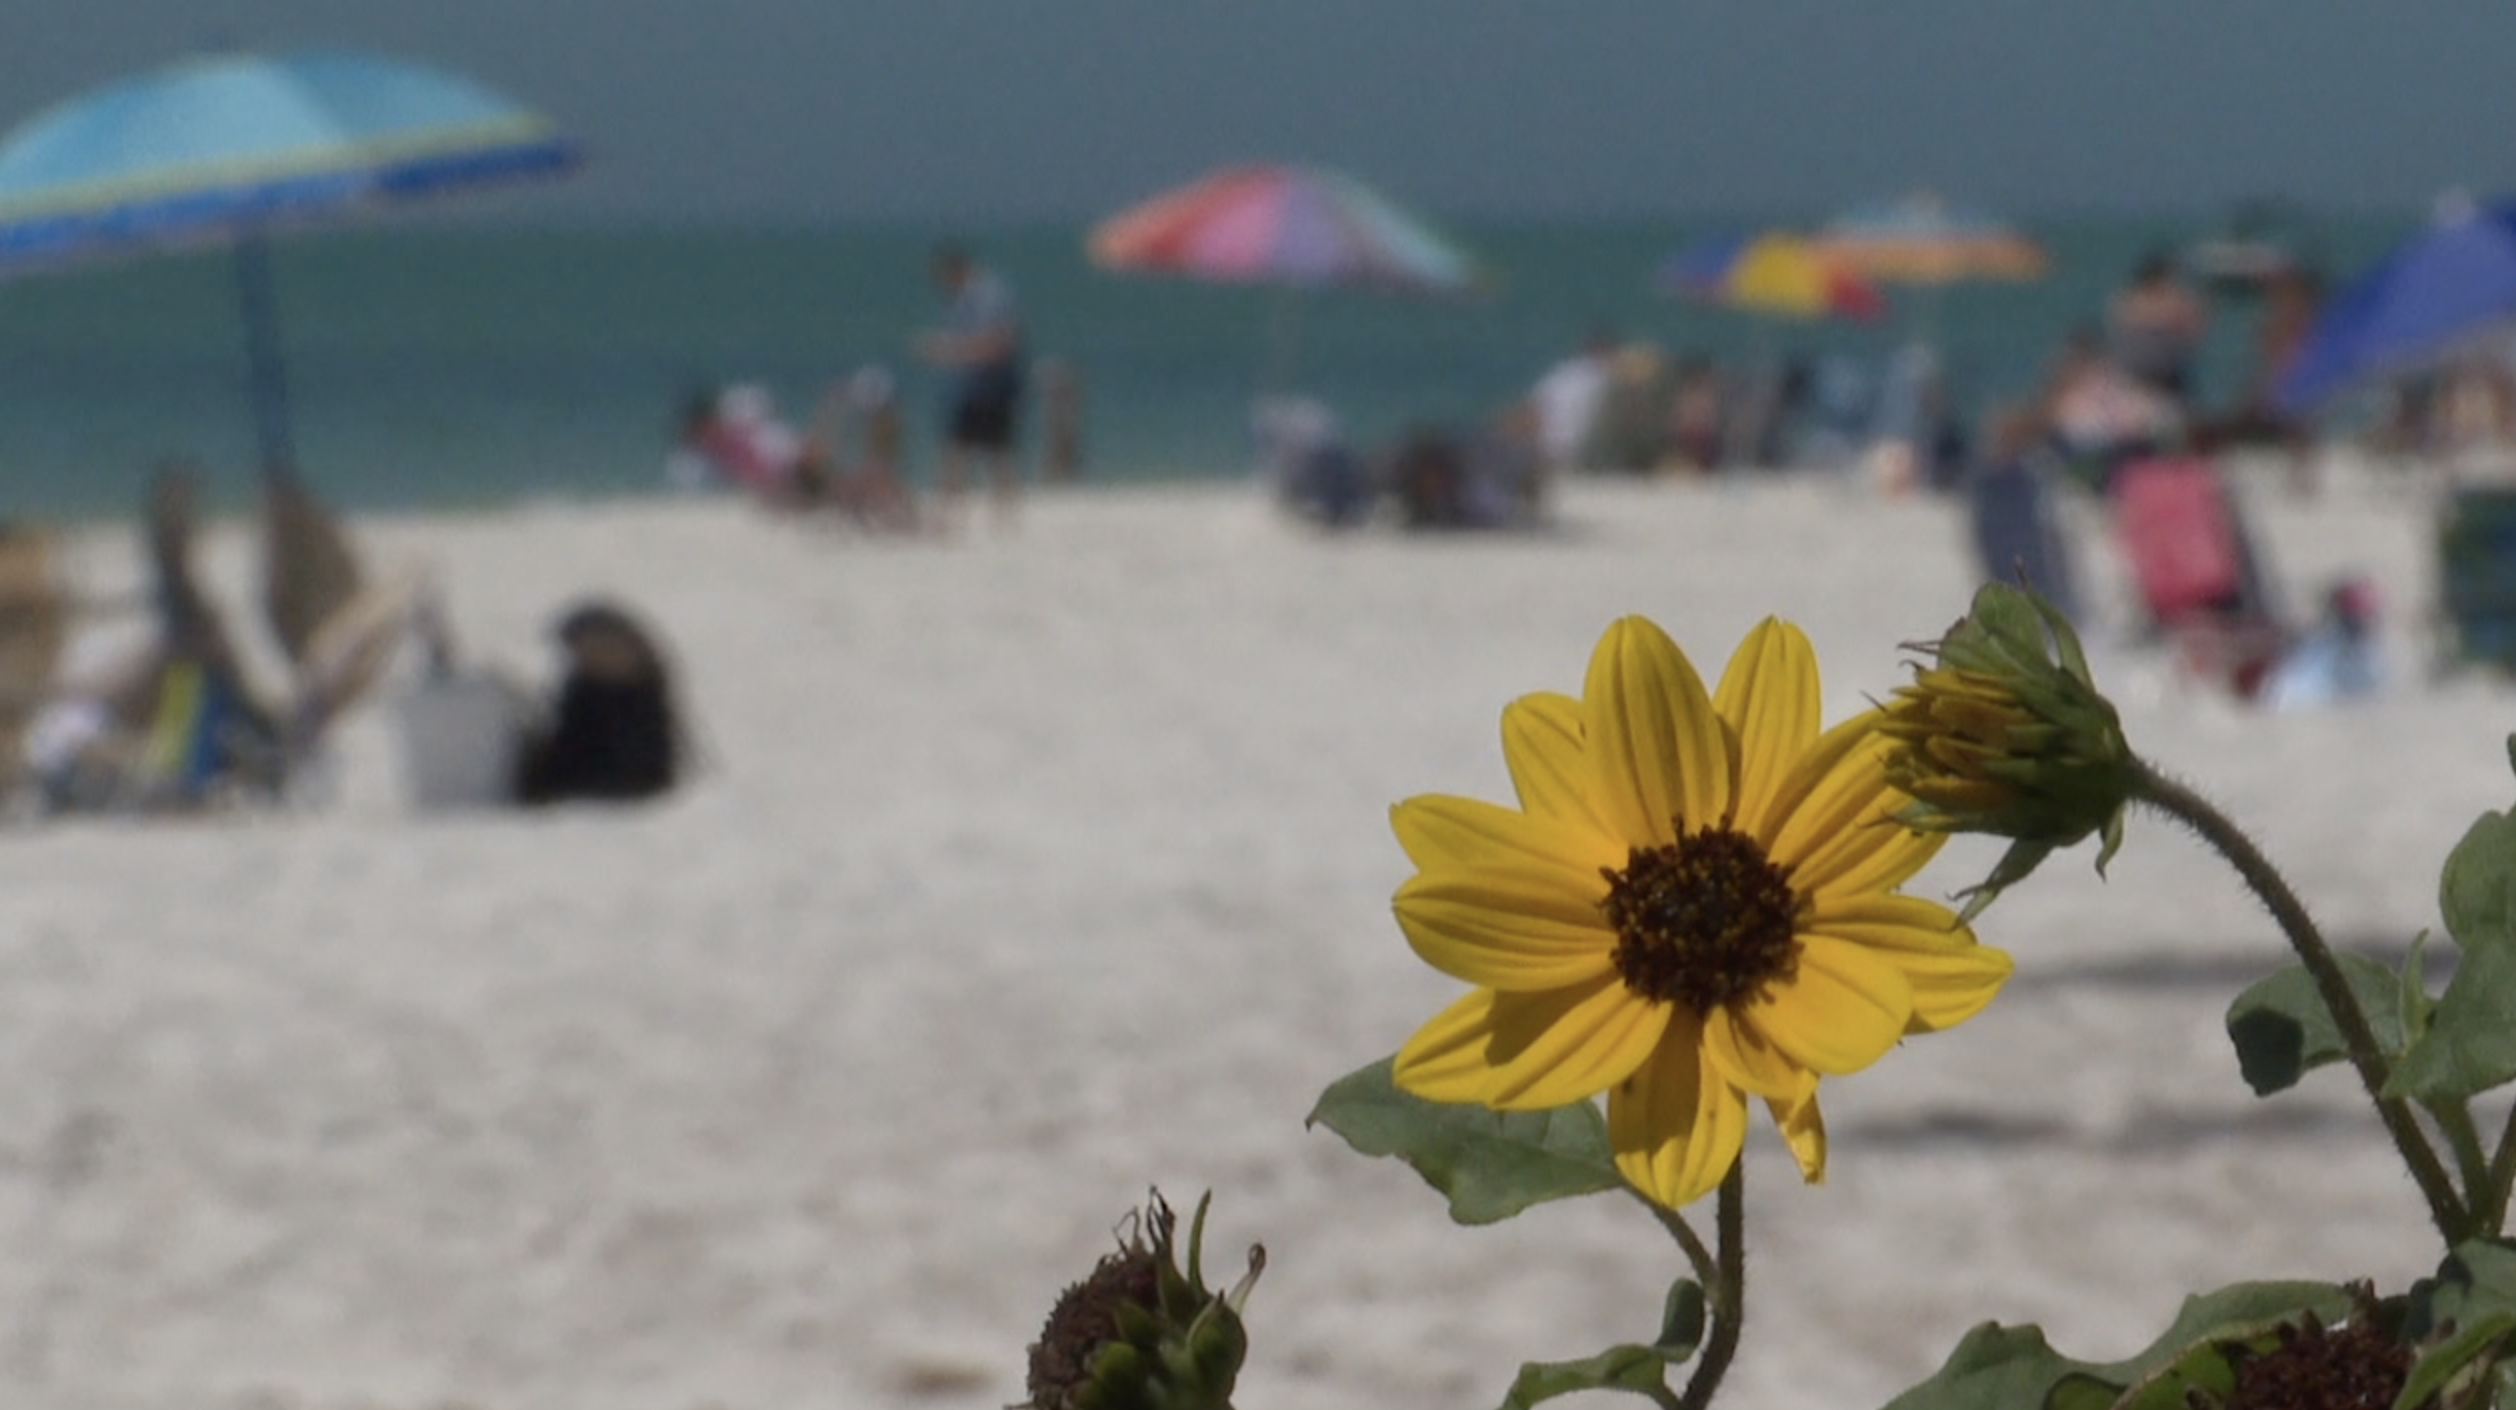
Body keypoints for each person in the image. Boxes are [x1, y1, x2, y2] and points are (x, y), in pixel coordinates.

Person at [512, 600, 683, 806]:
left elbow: (644, 776)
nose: (590, 655)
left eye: (604, 647)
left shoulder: (642, 713)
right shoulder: (578, 702)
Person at [915, 243, 1026, 526]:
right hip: (974, 384)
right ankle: (967, 515)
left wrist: (947, 350)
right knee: (967, 451)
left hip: (989, 385)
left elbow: (999, 343)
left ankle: (984, 516)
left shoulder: (988, 296)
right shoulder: (968, 298)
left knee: (980, 452)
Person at [2107, 250, 2210, 408]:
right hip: (2139, 378)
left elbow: (2195, 329)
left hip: (2165, 376)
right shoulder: (2135, 301)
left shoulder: (2131, 300)